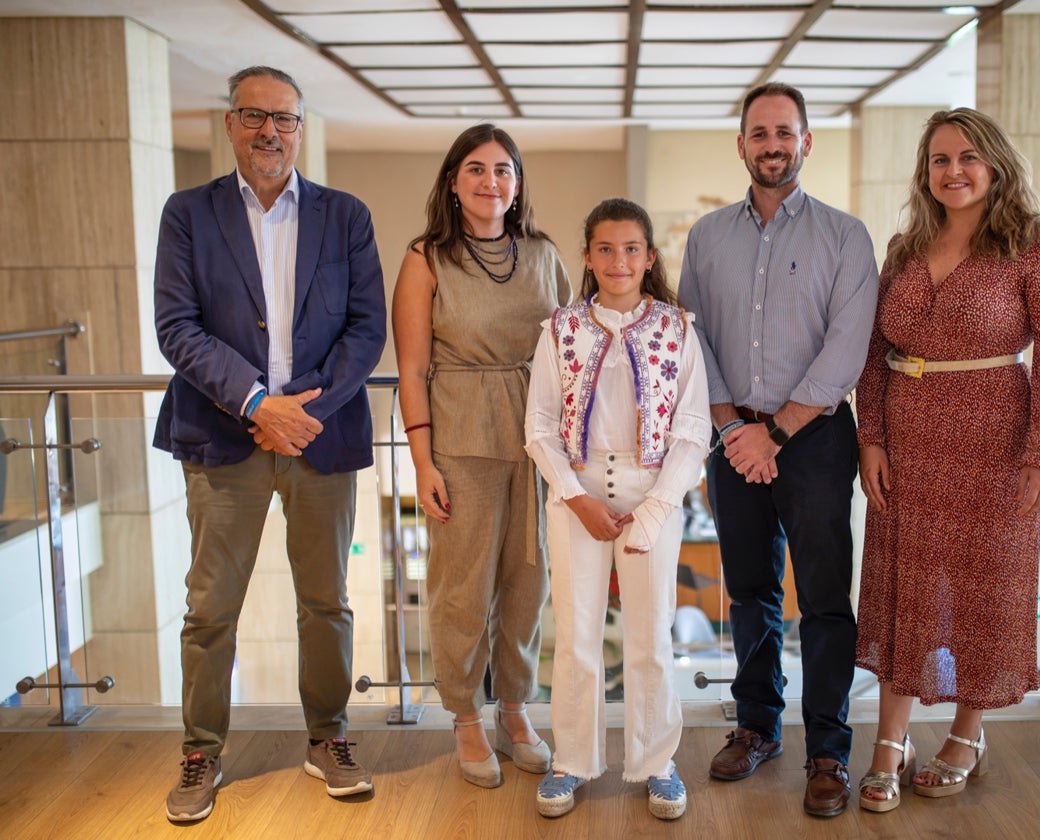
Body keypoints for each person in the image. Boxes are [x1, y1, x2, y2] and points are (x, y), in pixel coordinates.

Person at [154, 66, 385, 823]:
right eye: (254, 116)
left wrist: (301, 411)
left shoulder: (344, 215)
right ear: (229, 124)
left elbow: (365, 328)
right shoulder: (187, 213)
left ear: (300, 127)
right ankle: (199, 752)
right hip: (224, 437)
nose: (270, 132)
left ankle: (329, 738)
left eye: (284, 118)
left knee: (327, 602)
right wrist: (258, 402)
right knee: (210, 608)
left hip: (319, 435)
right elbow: (177, 326)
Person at [855, 107, 1040, 812]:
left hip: (996, 442)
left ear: (996, 165)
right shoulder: (904, 246)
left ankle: (966, 732)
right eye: (939, 160)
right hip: (909, 442)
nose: (953, 171)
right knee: (905, 585)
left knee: (983, 589)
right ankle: (891, 739)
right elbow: (870, 351)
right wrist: (871, 438)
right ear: (926, 173)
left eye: (968, 157)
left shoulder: (1033, 245)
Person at [676, 82, 878, 818]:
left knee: (824, 600)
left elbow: (847, 348)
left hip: (816, 439)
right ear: (741, 145)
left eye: (785, 132)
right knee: (749, 592)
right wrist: (734, 429)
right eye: (759, 133)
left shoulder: (844, 236)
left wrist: (777, 431)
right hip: (734, 440)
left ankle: (828, 749)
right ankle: (757, 726)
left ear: (805, 142)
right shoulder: (706, 237)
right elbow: (693, 338)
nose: (772, 145)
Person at [392, 124, 570, 788]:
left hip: (537, 433)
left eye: (503, 170)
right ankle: (467, 713)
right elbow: (411, 370)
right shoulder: (426, 258)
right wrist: (423, 461)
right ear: (452, 181)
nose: (491, 181)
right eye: (476, 169)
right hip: (462, 433)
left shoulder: (545, 255)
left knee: (530, 578)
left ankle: (516, 710)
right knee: (463, 585)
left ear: (517, 183)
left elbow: (570, 350)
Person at [525, 198, 711, 820]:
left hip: (651, 493)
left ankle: (657, 760)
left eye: (631, 248)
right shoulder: (560, 329)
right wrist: (575, 499)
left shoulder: (679, 329)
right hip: (574, 494)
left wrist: (656, 510)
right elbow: (539, 426)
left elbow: (692, 429)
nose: (619, 260)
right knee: (575, 637)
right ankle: (570, 761)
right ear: (587, 256)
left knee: (650, 636)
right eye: (605, 248)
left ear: (650, 257)